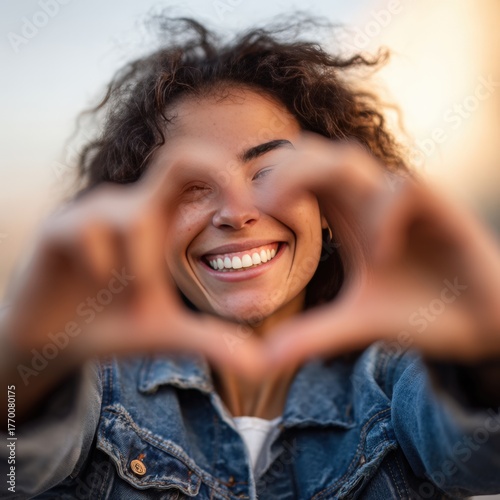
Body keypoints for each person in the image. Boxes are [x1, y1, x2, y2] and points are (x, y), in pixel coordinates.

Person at [1, 16, 500, 500]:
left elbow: (484, 458)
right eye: (193, 186)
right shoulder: (93, 376)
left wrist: (487, 361)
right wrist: (21, 370)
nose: (236, 213)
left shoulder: (399, 371)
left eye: (270, 173)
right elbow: (12, 475)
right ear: (142, 223)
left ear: (329, 204)